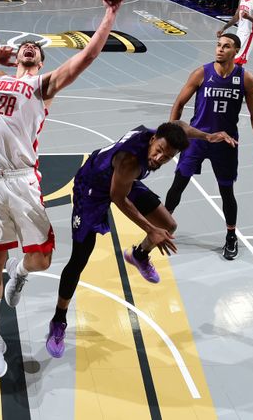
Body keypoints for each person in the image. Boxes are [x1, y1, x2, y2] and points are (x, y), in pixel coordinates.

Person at [0, 0, 130, 378]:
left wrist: (110, 14)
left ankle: (22, 273)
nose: (29, 47)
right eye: (24, 46)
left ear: (41, 59)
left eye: (36, 47)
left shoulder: (42, 85)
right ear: (16, 54)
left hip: (22, 178)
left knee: (43, 259)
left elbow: (87, 56)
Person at [46, 121, 236, 358]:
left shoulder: (164, 135)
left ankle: (139, 254)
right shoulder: (130, 161)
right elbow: (118, 198)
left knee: (168, 224)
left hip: (123, 181)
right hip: (93, 189)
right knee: (80, 258)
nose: (159, 158)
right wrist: (150, 229)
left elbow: (181, 127)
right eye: (158, 150)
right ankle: (58, 321)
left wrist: (207, 136)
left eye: (167, 157)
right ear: (153, 139)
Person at [164, 33, 253, 261]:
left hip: (226, 144)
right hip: (197, 140)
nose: (220, 49)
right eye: (218, 45)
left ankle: (231, 236)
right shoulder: (202, 73)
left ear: (236, 51)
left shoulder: (245, 78)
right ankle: (161, 226)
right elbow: (179, 103)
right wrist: (173, 134)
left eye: (226, 46)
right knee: (178, 185)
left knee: (226, 192)